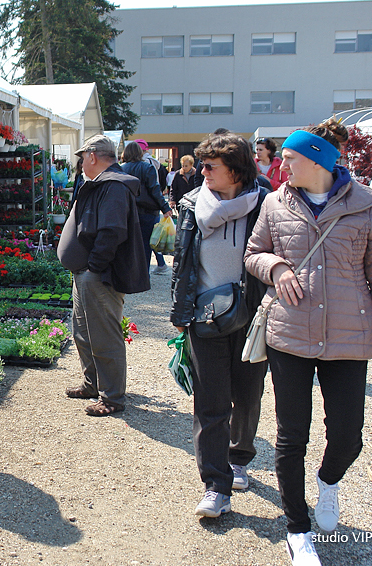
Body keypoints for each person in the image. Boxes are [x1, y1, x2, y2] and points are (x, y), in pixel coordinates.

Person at [244, 119, 372, 566]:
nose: (281, 165)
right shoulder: (275, 202)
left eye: (289, 158)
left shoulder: (367, 205)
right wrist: (275, 268)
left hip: (348, 336)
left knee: (347, 435)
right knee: (291, 436)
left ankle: (328, 479)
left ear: (317, 161)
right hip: (289, 334)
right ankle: (297, 529)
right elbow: (253, 254)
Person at [170, 133, 269, 519]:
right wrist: (180, 312)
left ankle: (239, 458)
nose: (203, 171)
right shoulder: (192, 204)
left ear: (237, 170)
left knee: (247, 394)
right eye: (203, 164)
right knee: (210, 402)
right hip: (205, 316)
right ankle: (215, 485)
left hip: (252, 316)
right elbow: (182, 260)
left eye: (212, 166)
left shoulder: (267, 204)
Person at [58, 134, 149, 416]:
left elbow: (112, 232)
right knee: (83, 332)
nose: (81, 164)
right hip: (87, 271)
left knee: (104, 337)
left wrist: (94, 266)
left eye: (82, 158)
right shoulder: (103, 182)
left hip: (98, 274)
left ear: (92, 156)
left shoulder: (114, 185)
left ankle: (112, 398)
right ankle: (92, 384)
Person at [120, 141, 173, 275]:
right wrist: (165, 207)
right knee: (145, 246)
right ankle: (143, 276)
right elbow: (155, 190)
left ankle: (130, 275)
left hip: (127, 212)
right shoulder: (147, 168)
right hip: (147, 211)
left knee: (129, 246)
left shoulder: (121, 169)